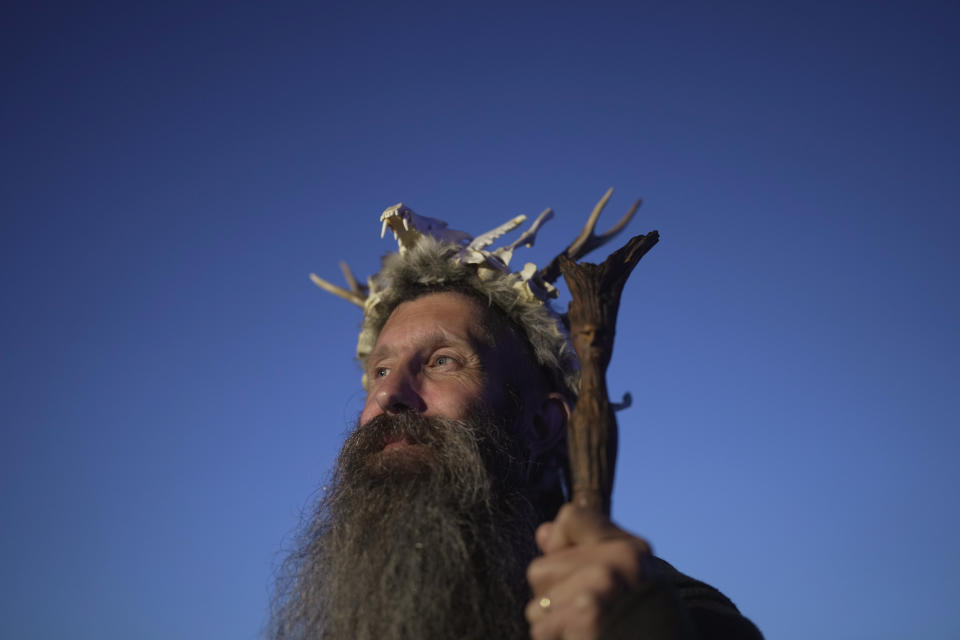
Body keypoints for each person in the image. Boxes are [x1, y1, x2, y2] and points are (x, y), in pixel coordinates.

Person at [271, 206, 763, 639]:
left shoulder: (667, 611)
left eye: (443, 360)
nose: (387, 394)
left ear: (542, 423)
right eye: (379, 369)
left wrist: (642, 627)